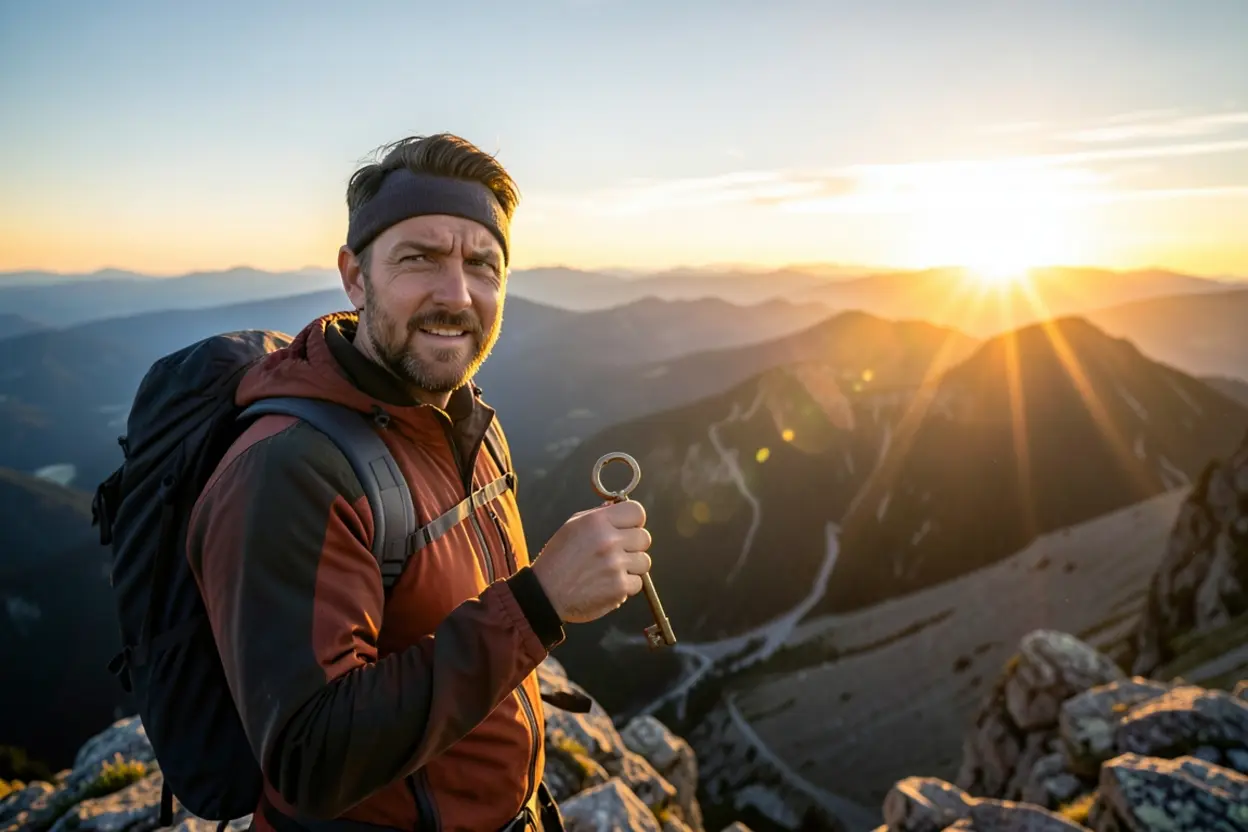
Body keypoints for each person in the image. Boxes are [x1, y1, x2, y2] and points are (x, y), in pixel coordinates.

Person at [186, 133, 654, 832]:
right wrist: (540, 602)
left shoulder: (465, 421)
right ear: (354, 275)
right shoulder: (289, 468)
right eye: (420, 259)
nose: (458, 295)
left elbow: (458, 633)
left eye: (483, 265)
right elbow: (311, 761)